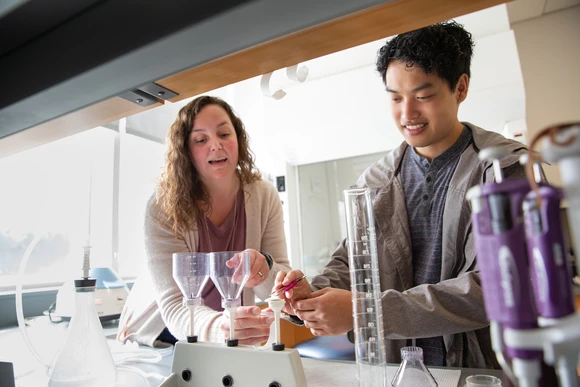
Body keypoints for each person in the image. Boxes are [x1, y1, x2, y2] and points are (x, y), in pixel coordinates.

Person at [274, 21, 529, 368]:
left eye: (423, 96)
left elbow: (494, 287)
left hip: (481, 369)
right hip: (397, 370)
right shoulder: (374, 181)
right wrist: (307, 293)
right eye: (396, 98)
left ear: (461, 87)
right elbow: (350, 264)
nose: (407, 114)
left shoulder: (502, 168)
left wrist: (366, 312)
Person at [118, 95, 291, 347]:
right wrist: (221, 328)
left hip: (230, 334)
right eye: (201, 139)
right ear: (186, 152)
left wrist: (262, 269)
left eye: (224, 134)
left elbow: (281, 287)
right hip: (162, 337)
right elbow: (175, 305)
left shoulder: (264, 195)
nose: (216, 146)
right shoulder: (162, 206)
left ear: (238, 140)